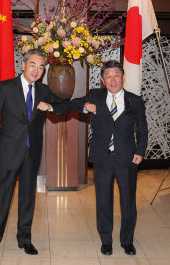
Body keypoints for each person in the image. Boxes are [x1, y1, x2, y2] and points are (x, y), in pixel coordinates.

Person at [0, 49, 68, 257]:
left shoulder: (44, 90)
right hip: (7, 151)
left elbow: (63, 104)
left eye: (41, 67)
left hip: (31, 152)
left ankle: (24, 239)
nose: (36, 70)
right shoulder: (6, 87)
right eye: (32, 65)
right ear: (23, 65)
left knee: (28, 197)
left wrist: (51, 105)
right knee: (3, 196)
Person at [69, 60, 148, 256]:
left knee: (128, 202)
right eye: (108, 76)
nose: (113, 80)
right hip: (102, 158)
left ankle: (127, 241)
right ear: (103, 80)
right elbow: (74, 103)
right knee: (103, 201)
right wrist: (85, 105)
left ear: (123, 77)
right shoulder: (95, 95)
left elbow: (144, 130)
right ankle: (106, 240)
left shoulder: (135, 100)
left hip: (127, 159)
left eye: (116, 76)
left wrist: (140, 151)